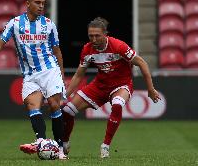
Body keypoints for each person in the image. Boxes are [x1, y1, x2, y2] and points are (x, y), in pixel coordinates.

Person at [0, 0, 68, 159]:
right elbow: (0, 44)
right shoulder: (14, 24)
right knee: (32, 106)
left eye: (43, 3)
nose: (41, 6)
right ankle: (42, 143)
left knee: (54, 105)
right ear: (28, 4)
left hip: (50, 70)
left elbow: (57, 51)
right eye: (37, 3)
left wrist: (61, 74)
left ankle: (60, 148)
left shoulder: (49, 24)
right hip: (30, 74)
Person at [61, 17, 161, 158]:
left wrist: (150, 89)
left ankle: (105, 146)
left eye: (97, 36)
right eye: (91, 36)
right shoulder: (87, 50)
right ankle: (64, 144)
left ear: (105, 34)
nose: (94, 39)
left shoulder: (119, 46)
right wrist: (64, 96)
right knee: (66, 110)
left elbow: (142, 63)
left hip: (121, 84)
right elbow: (78, 75)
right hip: (100, 85)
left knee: (117, 104)